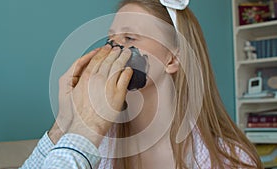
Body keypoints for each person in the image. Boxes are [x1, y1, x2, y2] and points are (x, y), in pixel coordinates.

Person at [20, 0, 263, 168]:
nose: (113, 48)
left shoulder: (229, 159)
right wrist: (66, 123)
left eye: (129, 37)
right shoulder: (93, 147)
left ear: (172, 58)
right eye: (111, 38)